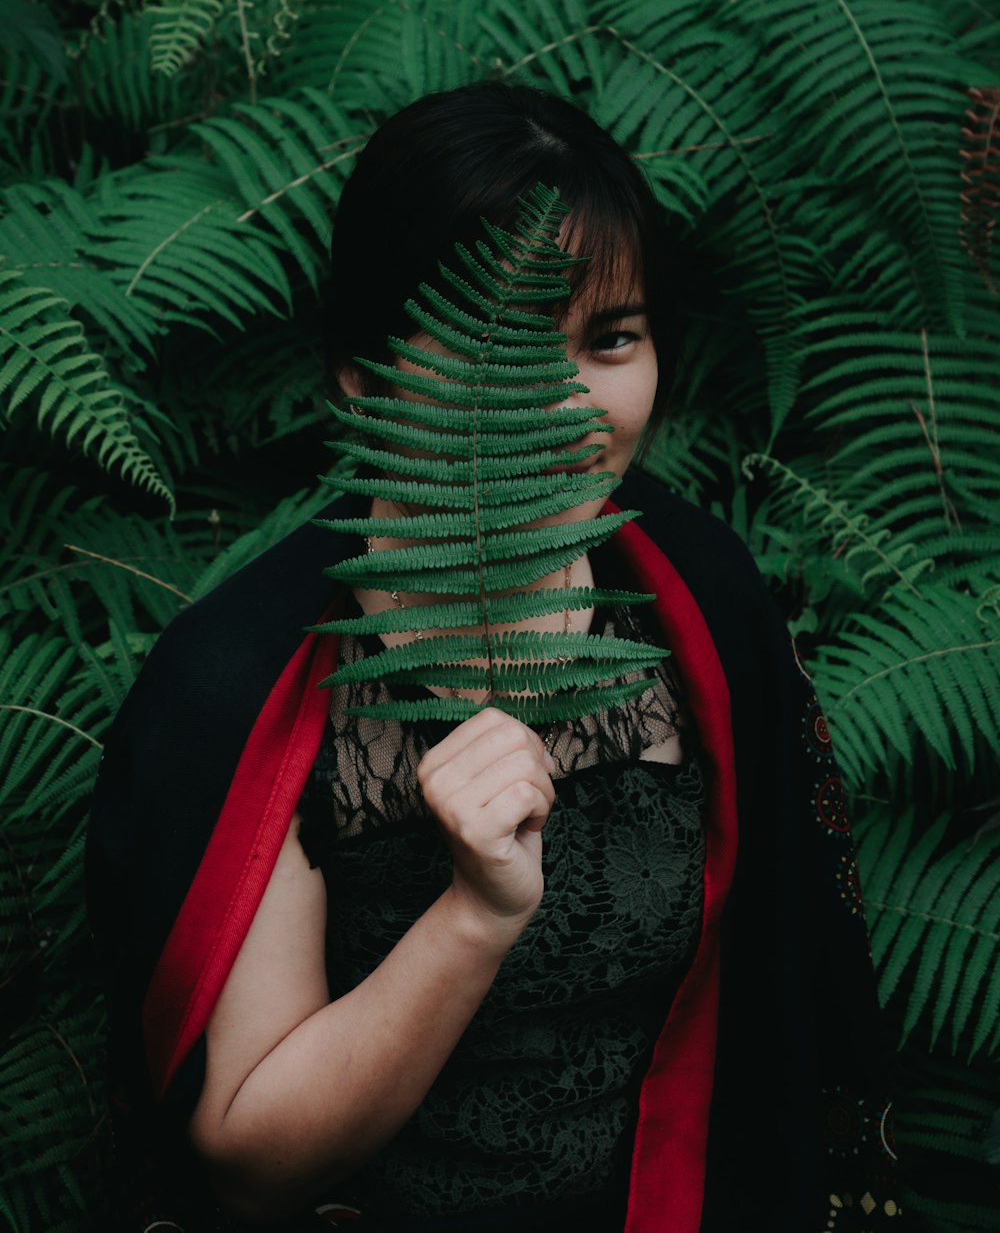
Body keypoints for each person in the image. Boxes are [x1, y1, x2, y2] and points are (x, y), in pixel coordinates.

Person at [87, 83, 899, 1233]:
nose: (570, 406)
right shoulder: (243, 685)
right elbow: (247, 1164)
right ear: (360, 379)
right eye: (506, 349)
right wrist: (473, 914)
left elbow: (783, 994)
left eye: (610, 338)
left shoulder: (695, 599)